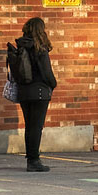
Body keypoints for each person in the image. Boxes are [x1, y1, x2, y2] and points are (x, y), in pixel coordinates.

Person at [10, 17, 57, 172]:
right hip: (40, 92)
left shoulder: (20, 46)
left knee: (29, 126)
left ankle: (31, 159)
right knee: (36, 127)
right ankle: (34, 160)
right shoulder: (40, 49)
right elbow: (47, 74)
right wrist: (53, 84)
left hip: (24, 91)